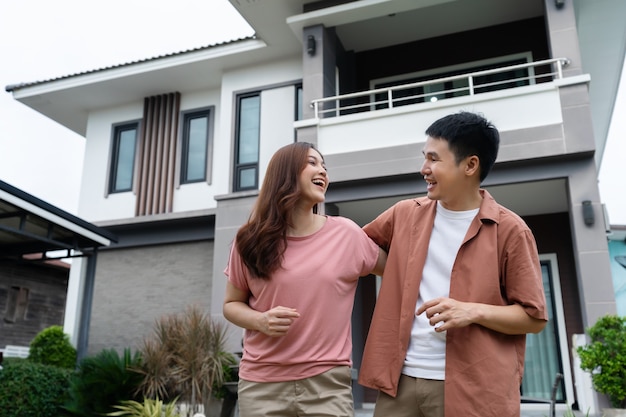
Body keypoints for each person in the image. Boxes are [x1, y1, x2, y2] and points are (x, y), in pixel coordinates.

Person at [358, 111, 548, 417]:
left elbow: (534, 318)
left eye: (434, 159)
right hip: (400, 383)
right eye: (424, 158)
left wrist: (470, 310)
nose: (424, 169)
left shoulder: (510, 230)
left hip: (474, 389)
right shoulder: (404, 214)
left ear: (470, 165)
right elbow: (358, 250)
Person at [223, 141, 386, 417]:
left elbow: (397, 272)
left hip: (327, 385)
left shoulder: (346, 234)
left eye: (324, 165)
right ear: (285, 173)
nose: (322, 170)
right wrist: (260, 320)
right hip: (262, 385)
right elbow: (231, 304)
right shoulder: (249, 239)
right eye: (312, 163)